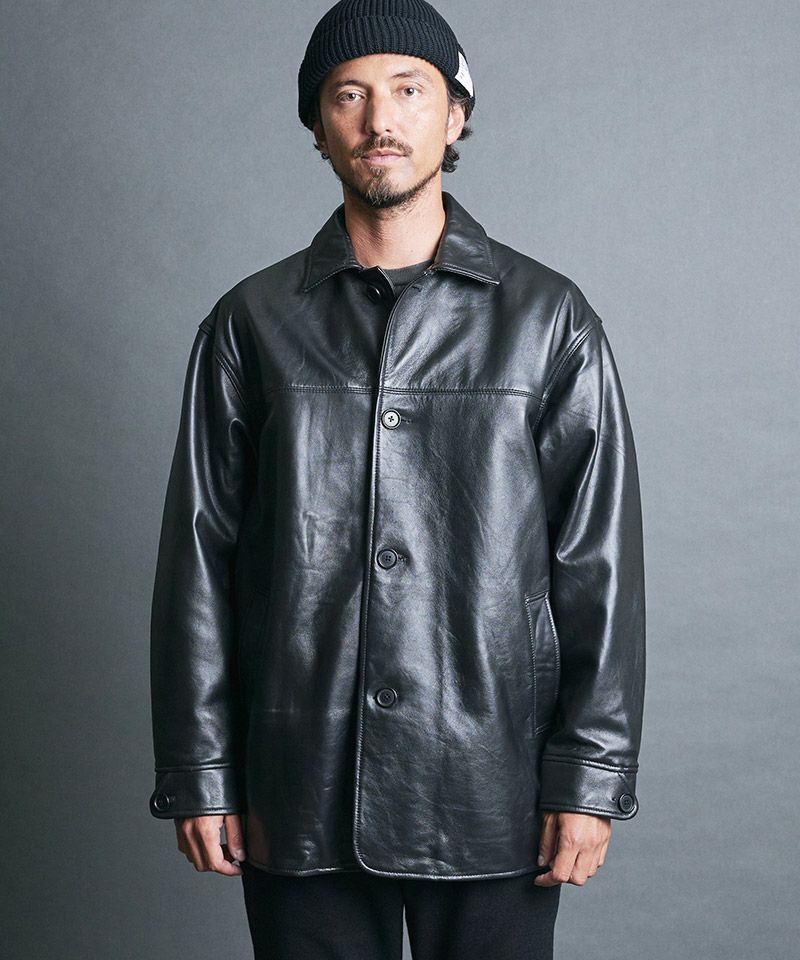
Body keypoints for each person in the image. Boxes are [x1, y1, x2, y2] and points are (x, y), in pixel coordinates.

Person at [147, 1, 646, 957]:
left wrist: (590, 777)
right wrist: (200, 769)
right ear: (318, 125)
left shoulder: (550, 320)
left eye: (410, 90)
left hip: (494, 784)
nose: (381, 119)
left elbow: (599, 566)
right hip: (300, 782)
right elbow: (199, 557)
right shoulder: (250, 323)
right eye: (350, 95)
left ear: (454, 115)